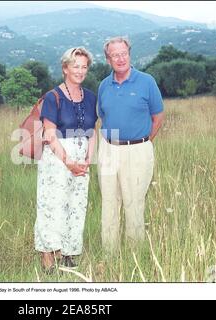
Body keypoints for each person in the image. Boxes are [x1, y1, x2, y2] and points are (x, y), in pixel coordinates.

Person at [97, 36, 164, 254]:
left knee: (134, 204)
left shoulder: (147, 81)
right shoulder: (103, 85)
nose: (120, 58)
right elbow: (103, 116)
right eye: (115, 55)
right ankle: (109, 254)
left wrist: (140, 143)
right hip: (108, 149)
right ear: (108, 59)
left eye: (123, 53)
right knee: (109, 203)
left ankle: (134, 258)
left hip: (138, 150)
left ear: (130, 54)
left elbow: (158, 118)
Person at [34, 47, 98, 273]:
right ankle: (48, 256)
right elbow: (49, 134)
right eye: (75, 66)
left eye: (84, 66)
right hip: (57, 158)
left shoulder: (91, 97)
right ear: (65, 68)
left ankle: (70, 253)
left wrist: (89, 158)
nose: (80, 71)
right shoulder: (53, 97)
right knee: (53, 206)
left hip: (82, 158)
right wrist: (68, 161)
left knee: (76, 205)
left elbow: (92, 131)